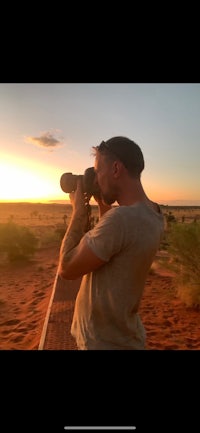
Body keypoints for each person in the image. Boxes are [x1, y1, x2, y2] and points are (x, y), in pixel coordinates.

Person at [58, 136, 164, 350]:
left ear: (116, 169)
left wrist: (78, 212)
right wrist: (102, 200)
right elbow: (113, 245)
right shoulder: (154, 215)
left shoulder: (121, 220)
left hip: (101, 342)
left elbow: (67, 268)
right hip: (125, 337)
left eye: (97, 171)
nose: (96, 179)